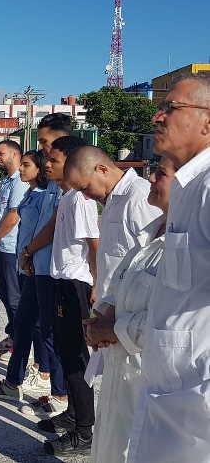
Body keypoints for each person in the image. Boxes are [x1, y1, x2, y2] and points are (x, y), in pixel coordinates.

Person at [126, 74, 210, 463]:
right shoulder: (189, 188)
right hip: (173, 394)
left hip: (197, 406)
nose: (157, 117)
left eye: (171, 108)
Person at [85, 158, 174, 463]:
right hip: (120, 372)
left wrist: (113, 329)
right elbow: (121, 276)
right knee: (110, 446)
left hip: (151, 382)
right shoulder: (150, 233)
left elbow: (177, 322)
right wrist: (104, 313)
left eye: (161, 174)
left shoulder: (190, 245)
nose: (151, 179)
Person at [0, 151, 65, 414]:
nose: (22, 169)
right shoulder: (31, 193)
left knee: (46, 331)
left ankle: (56, 389)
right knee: (24, 324)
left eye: (27, 165)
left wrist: (28, 251)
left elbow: (47, 231)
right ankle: (13, 382)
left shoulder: (54, 194)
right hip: (28, 264)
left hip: (43, 267)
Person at [39, 135, 98, 457]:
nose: (47, 164)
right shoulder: (66, 198)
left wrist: (97, 288)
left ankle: (84, 431)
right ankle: (74, 415)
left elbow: (94, 243)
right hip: (62, 280)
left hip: (77, 284)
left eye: (55, 160)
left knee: (76, 359)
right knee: (65, 352)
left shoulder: (82, 200)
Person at [64, 146, 162, 304]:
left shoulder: (139, 196)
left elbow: (155, 258)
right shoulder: (112, 200)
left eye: (86, 188)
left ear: (102, 169)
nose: (86, 197)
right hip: (113, 306)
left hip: (132, 309)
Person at [0, 140, 30, 351]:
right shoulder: (5, 182)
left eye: (1, 153)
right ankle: (13, 336)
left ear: (14, 153)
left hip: (12, 248)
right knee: (4, 293)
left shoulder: (21, 181)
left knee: (14, 298)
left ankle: (20, 345)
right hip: (0, 246)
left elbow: (14, 216)